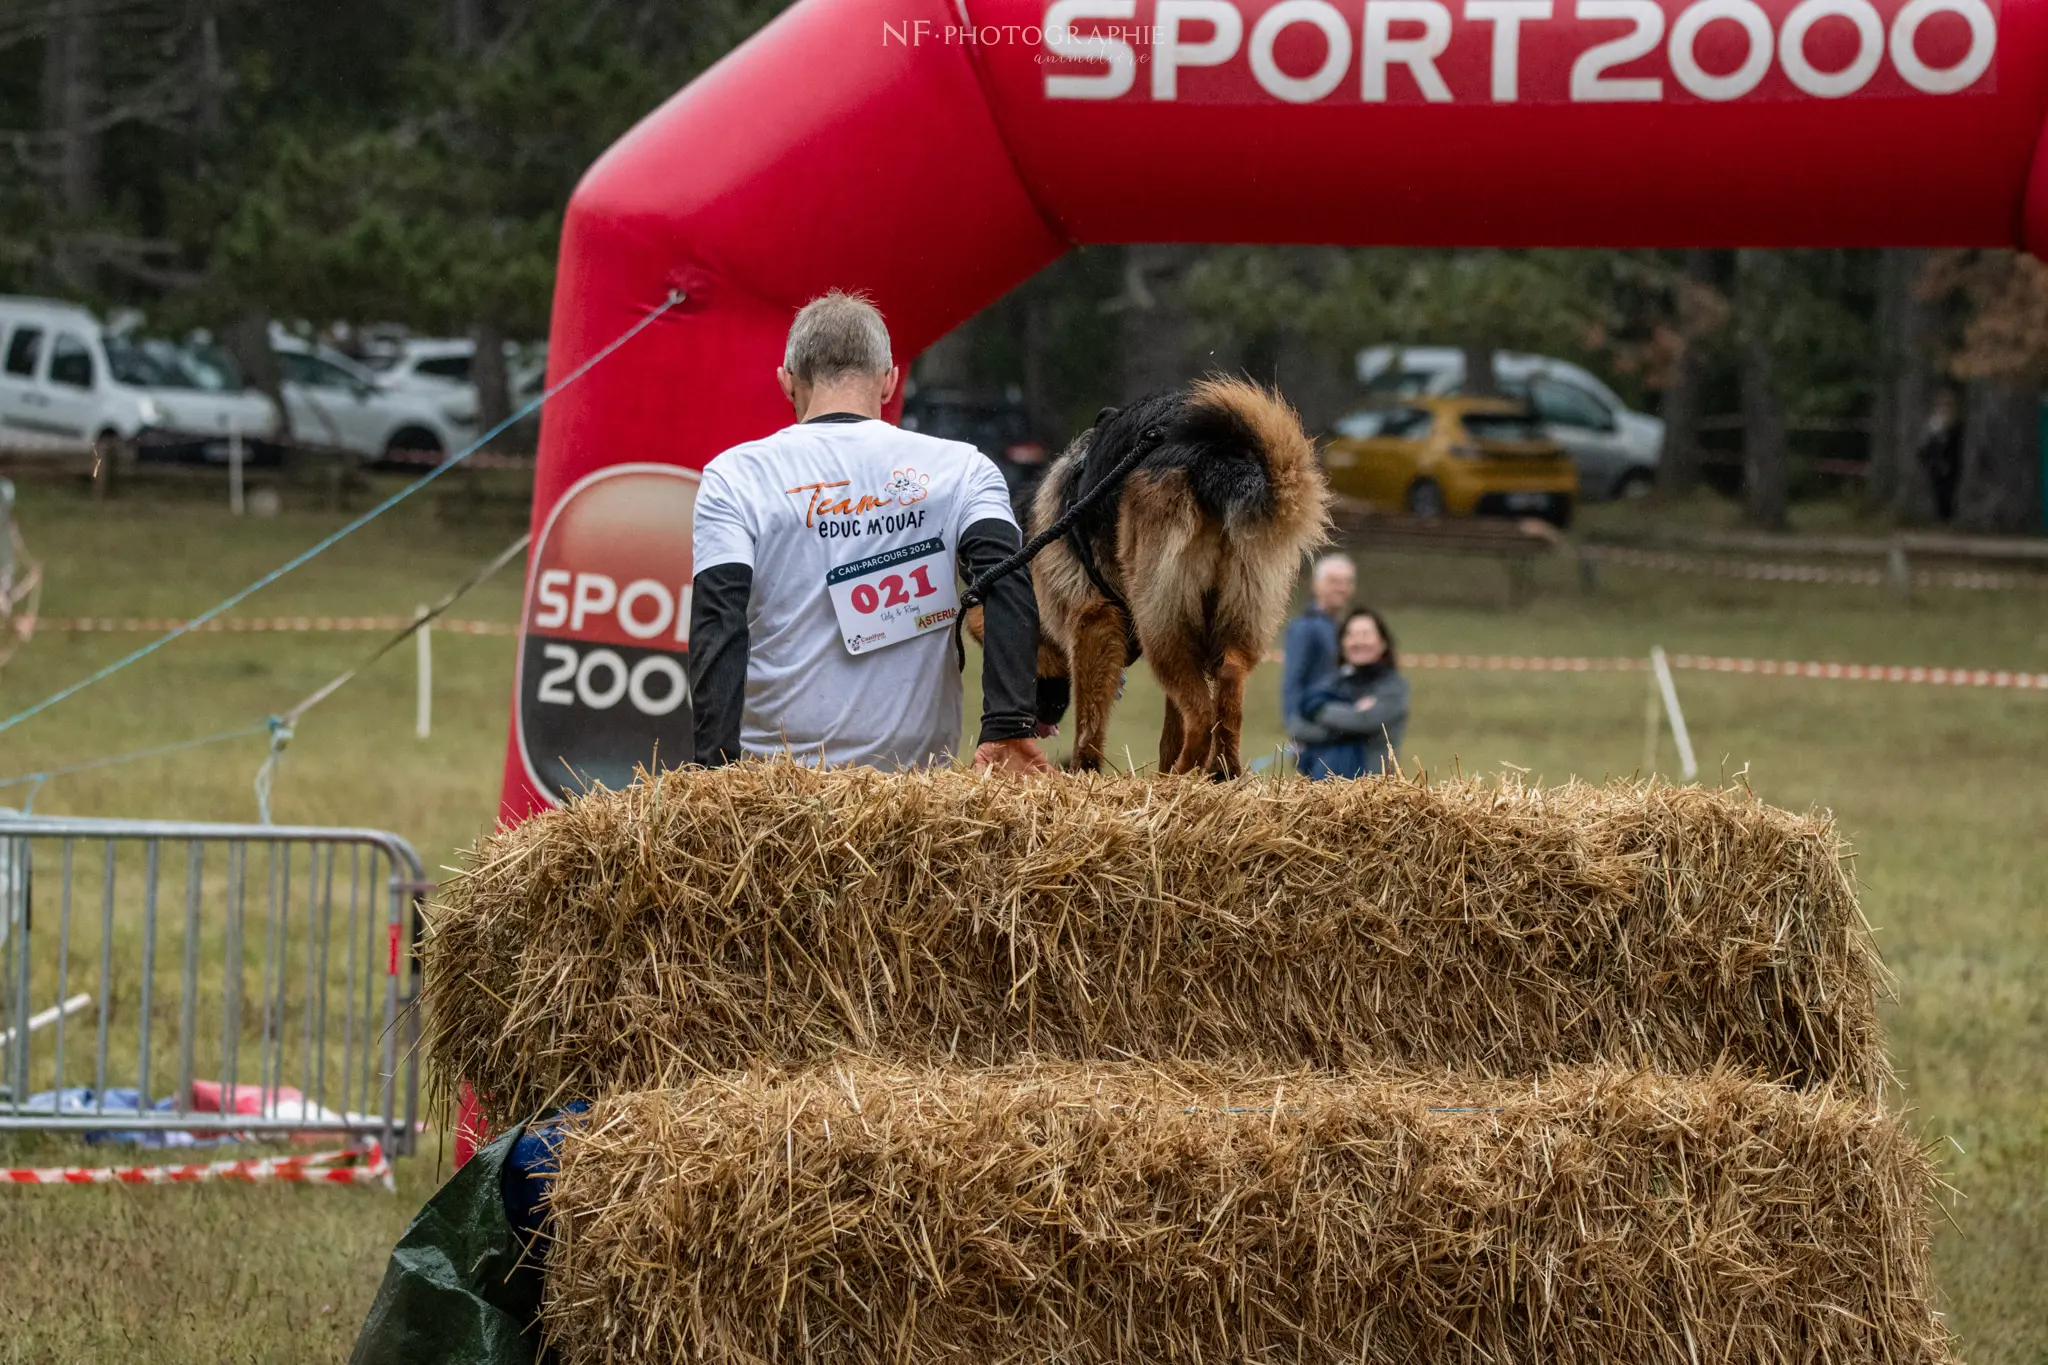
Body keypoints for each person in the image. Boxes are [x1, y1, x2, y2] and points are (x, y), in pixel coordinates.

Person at [687, 291, 1051, 775]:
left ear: (787, 382)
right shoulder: (964, 469)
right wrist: (1007, 723)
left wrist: (713, 772)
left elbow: (717, 622)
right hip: (914, 789)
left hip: (771, 788)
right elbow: (1006, 581)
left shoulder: (733, 475)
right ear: (888, 381)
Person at [1294, 607, 1408, 780]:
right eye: (1351, 635)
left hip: (1373, 789)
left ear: (1383, 643)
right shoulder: (1332, 683)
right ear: (1342, 643)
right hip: (1322, 788)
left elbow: (1366, 721)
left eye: (1366, 634)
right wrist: (1352, 711)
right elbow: (1298, 727)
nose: (1358, 642)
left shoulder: (1393, 687)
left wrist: (1319, 711)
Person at [1281, 554, 1356, 743]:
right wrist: (1295, 725)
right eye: (1333, 581)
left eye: (1347, 582)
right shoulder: (1304, 628)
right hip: (1314, 728)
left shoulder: (1346, 628)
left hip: (1343, 724)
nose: (1341, 588)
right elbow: (1293, 679)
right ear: (1317, 585)